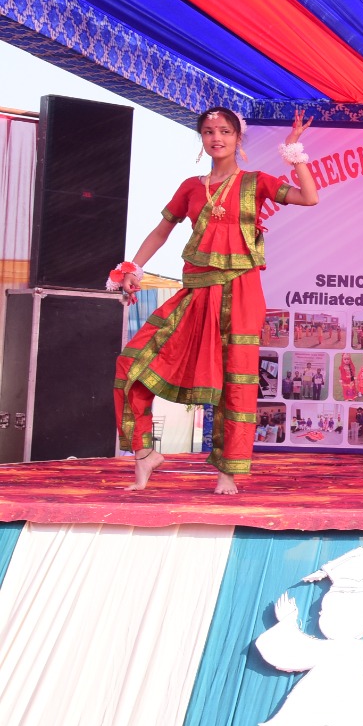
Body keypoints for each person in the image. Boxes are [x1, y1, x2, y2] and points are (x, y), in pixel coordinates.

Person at [111, 108, 319, 494]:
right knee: (130, 365)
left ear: (238, 138)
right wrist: (133, 268)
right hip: (196, 290)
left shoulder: (256, 182)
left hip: (241, 291)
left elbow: (310, 197)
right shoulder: (191, 187)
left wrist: (293, 151)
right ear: (201, 139)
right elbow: (161, 231)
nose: (216, 137)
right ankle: (144, 454)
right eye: (208, 132)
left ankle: (227, 471)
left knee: (235, 381)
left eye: (224, 131)